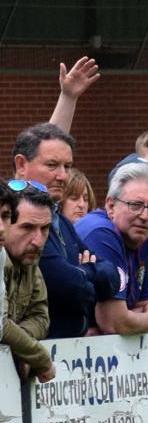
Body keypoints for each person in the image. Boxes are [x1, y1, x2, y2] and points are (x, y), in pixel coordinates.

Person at [11, 123, 113, 338]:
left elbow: (112, 276)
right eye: (52, 165)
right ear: (21, 165)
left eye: (67, 166)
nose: (63, 176)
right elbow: (67, 287)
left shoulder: (61, 221)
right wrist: (86, 273)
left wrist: (82, 274)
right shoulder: (12, 216)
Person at [76, 162, 148, 335]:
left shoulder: (143, 237)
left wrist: (132, 316)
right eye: (135, 205)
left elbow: (143, 307)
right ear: (111, 206)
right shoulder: (101, 233)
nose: (145, 216)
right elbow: (115, 323)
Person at [2, 184, 55, 382]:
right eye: (27, 227)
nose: (38, 241)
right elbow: (0, 325)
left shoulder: (29, 259)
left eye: (45, 229)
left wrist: (20, 345)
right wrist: (39, 357)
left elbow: (41, 317)